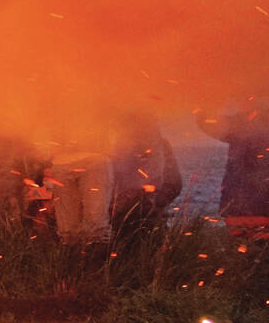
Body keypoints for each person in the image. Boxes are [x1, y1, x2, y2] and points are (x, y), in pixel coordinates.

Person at [109, 113, 182, 249]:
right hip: (117, 220)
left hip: (150, 219)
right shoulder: (114, 146)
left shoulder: (161, 146)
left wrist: (154, 202)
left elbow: (174, 184)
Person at [199, 99, 269, 231]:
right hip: (244, 209)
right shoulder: (240, 123)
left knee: (241, 247)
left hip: (238, 207)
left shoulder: (240, 124)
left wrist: (203, 105)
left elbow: (208, 123)